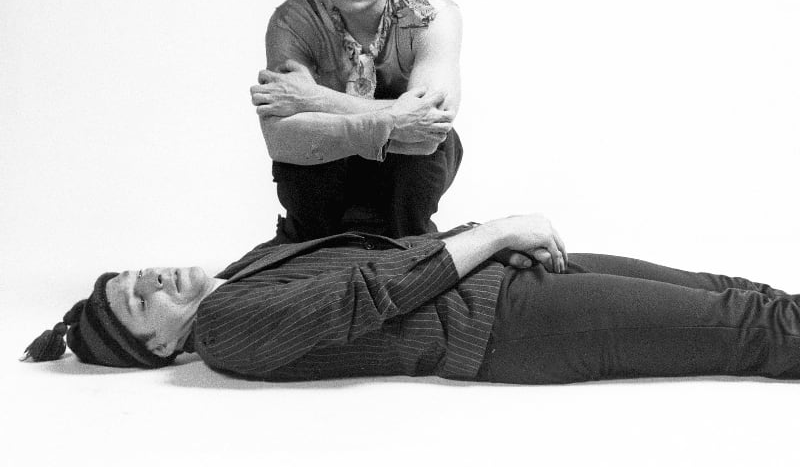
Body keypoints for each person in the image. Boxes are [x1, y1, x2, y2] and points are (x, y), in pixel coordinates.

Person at [24, 213, 800, 383]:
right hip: (504, 326)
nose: (154, 278)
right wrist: (497, 232)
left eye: (136, 274)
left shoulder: (244, 269)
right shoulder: (226, 331)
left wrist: (493, 240)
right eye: (140, 302)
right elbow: (375, 291)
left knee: (736, 295)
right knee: (746, 325)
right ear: (163, 348)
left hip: (505, 280)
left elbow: (393, 250)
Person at [250, 0, 463, 243]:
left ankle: (406, 244)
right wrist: (391, 122)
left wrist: (315, 100)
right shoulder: (293, 20)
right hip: (325, 172)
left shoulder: (431, 15)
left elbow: (430, 131)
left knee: (425, 153)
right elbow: (281, 139)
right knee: (303, 167)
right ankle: (312, 246)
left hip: (405, 175)